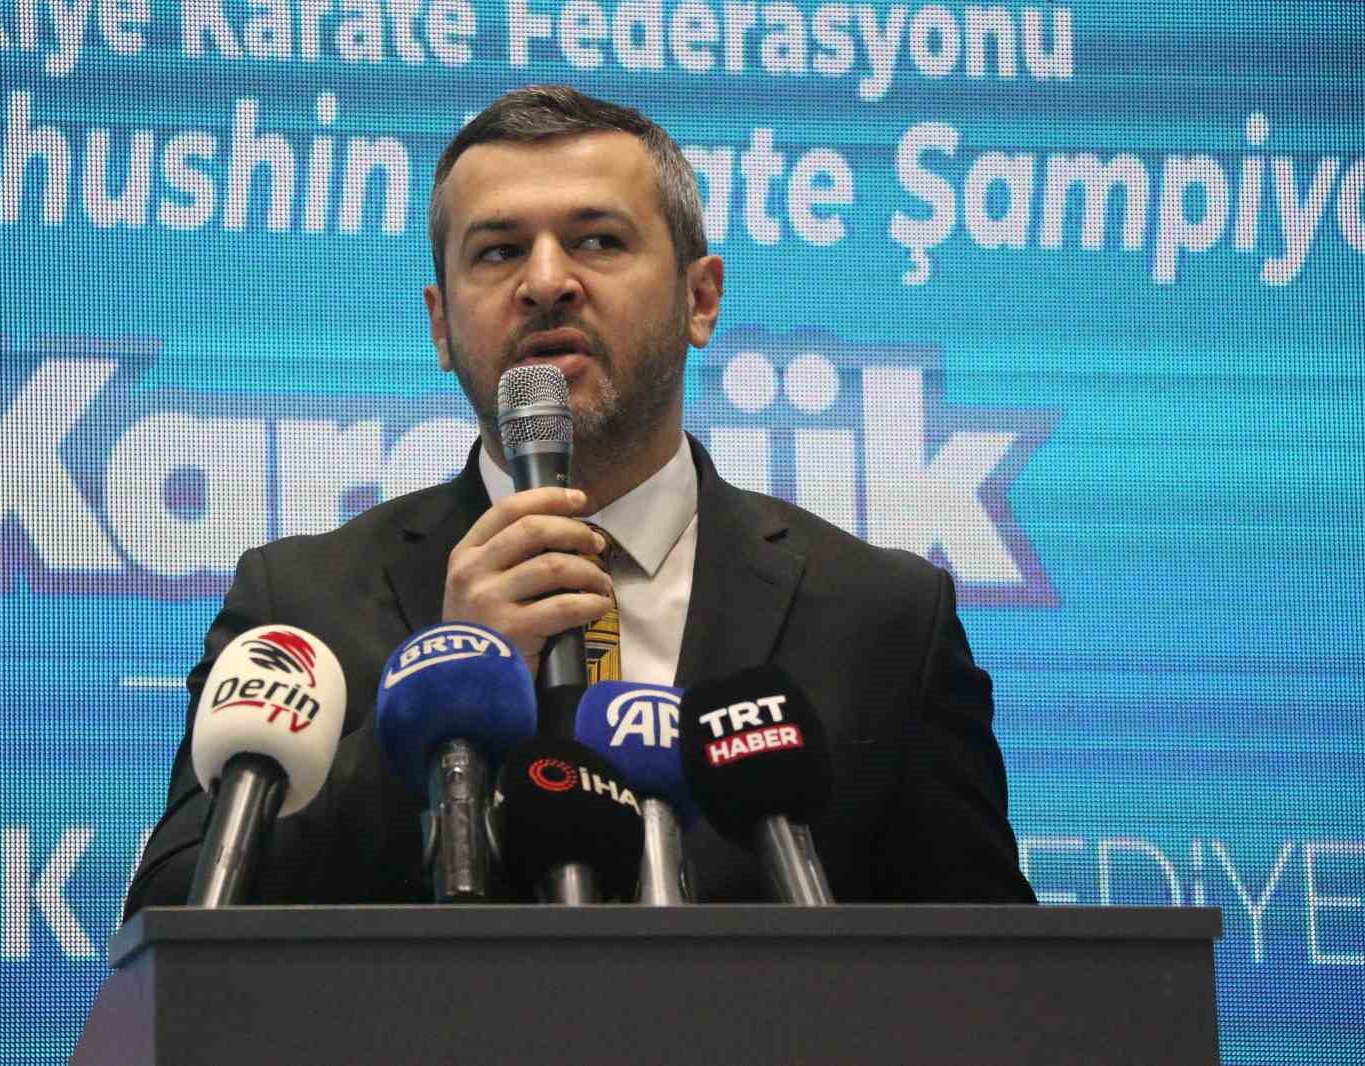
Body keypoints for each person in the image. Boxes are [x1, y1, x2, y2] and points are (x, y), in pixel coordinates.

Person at [123, 85, 1035, 913]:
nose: (547, 281)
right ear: (441, 326)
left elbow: (992, 978)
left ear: (701, 298)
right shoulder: (302, 604)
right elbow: (176, 926)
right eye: (499, 251)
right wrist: (443, 696)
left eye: (598, 240)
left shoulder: (880, 616)